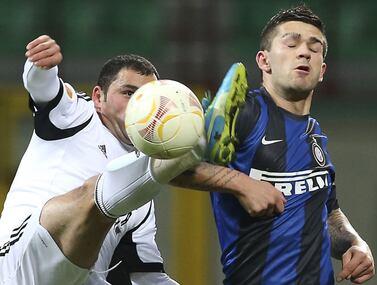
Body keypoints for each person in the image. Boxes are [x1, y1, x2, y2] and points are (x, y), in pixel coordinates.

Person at [0, 35, 285, 285]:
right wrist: (40, 63)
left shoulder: (140, 198)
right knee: (94, 191)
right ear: (99, 97)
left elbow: (145, 277)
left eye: (150, 97)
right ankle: (196, 144)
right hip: (19, 262)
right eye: (129, 93)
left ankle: (195, 145)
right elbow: (42, 85)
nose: (141, 106)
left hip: (77, 278)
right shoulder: (77, 114)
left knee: (123, 187)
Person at [201, 5, 375, 285]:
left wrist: (355, 243)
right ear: (264, 61)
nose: (304, 52)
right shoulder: (242, 113)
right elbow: (171, 168)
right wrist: (240, 183)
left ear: (322, 71)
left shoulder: (315, 136)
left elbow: (328, 213)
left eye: (314, 48)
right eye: (291, 43)